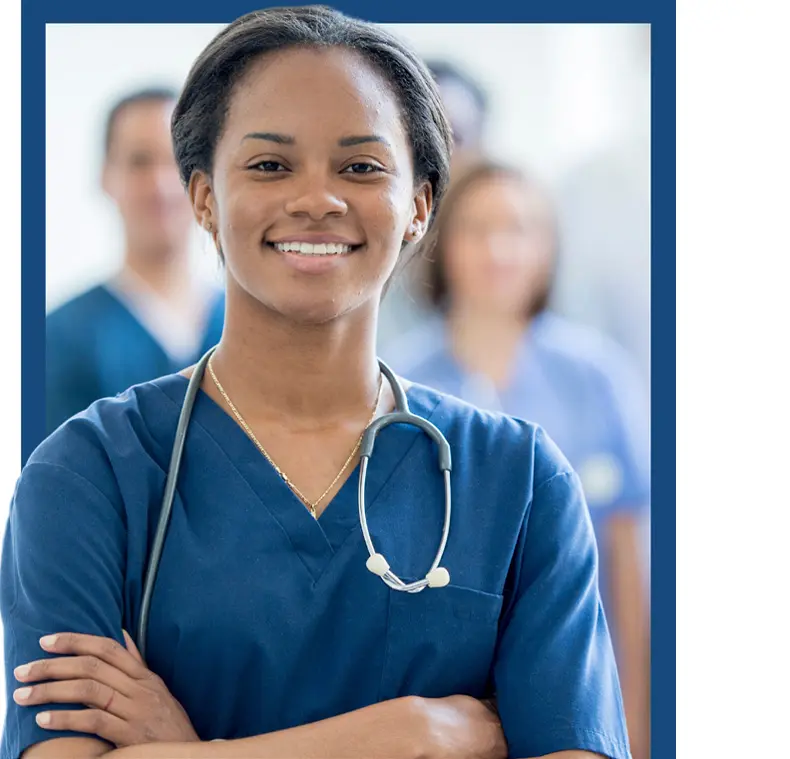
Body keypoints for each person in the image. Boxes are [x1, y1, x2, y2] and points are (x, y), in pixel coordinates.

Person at [2, 8, 631, 759]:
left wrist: (187, 750)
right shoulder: (90, 475)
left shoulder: (518, 480)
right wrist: (410, 734)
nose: (317, 198)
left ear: (421, 206)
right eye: (270, 165)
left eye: (361, 166)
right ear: (203, 195)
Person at [383, 159, 650, 758]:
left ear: (548, 248)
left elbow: (626, 564)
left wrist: (632, 717)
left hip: (581, 676)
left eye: (520, 229)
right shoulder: (400, 384)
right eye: (477, 229)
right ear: (440, 242)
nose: (498, 249)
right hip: (449, 698)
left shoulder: (598, 378)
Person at [45, 86, 225, 437]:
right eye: (139, 162)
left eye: (176, 163)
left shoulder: (250, 326)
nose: (159, 185)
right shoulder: (61, 337)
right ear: (106, 177)